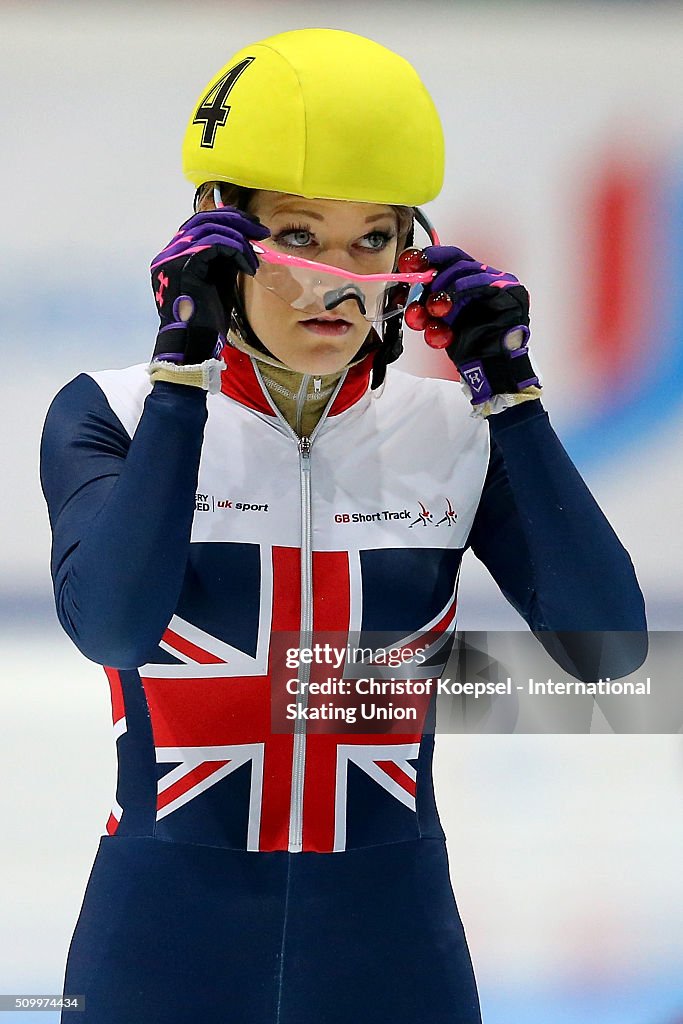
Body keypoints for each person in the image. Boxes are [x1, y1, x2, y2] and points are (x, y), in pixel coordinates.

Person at [40, 28, 647, 1024]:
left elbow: (608, 653)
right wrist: (183, 372)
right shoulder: (114, 414)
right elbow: (112, 625)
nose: (336, 278)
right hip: (161, 951)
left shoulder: (452, 429)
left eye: (372, 238)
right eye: (297, 234)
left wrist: (514, 401)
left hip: (392, 950)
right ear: (216, 238)